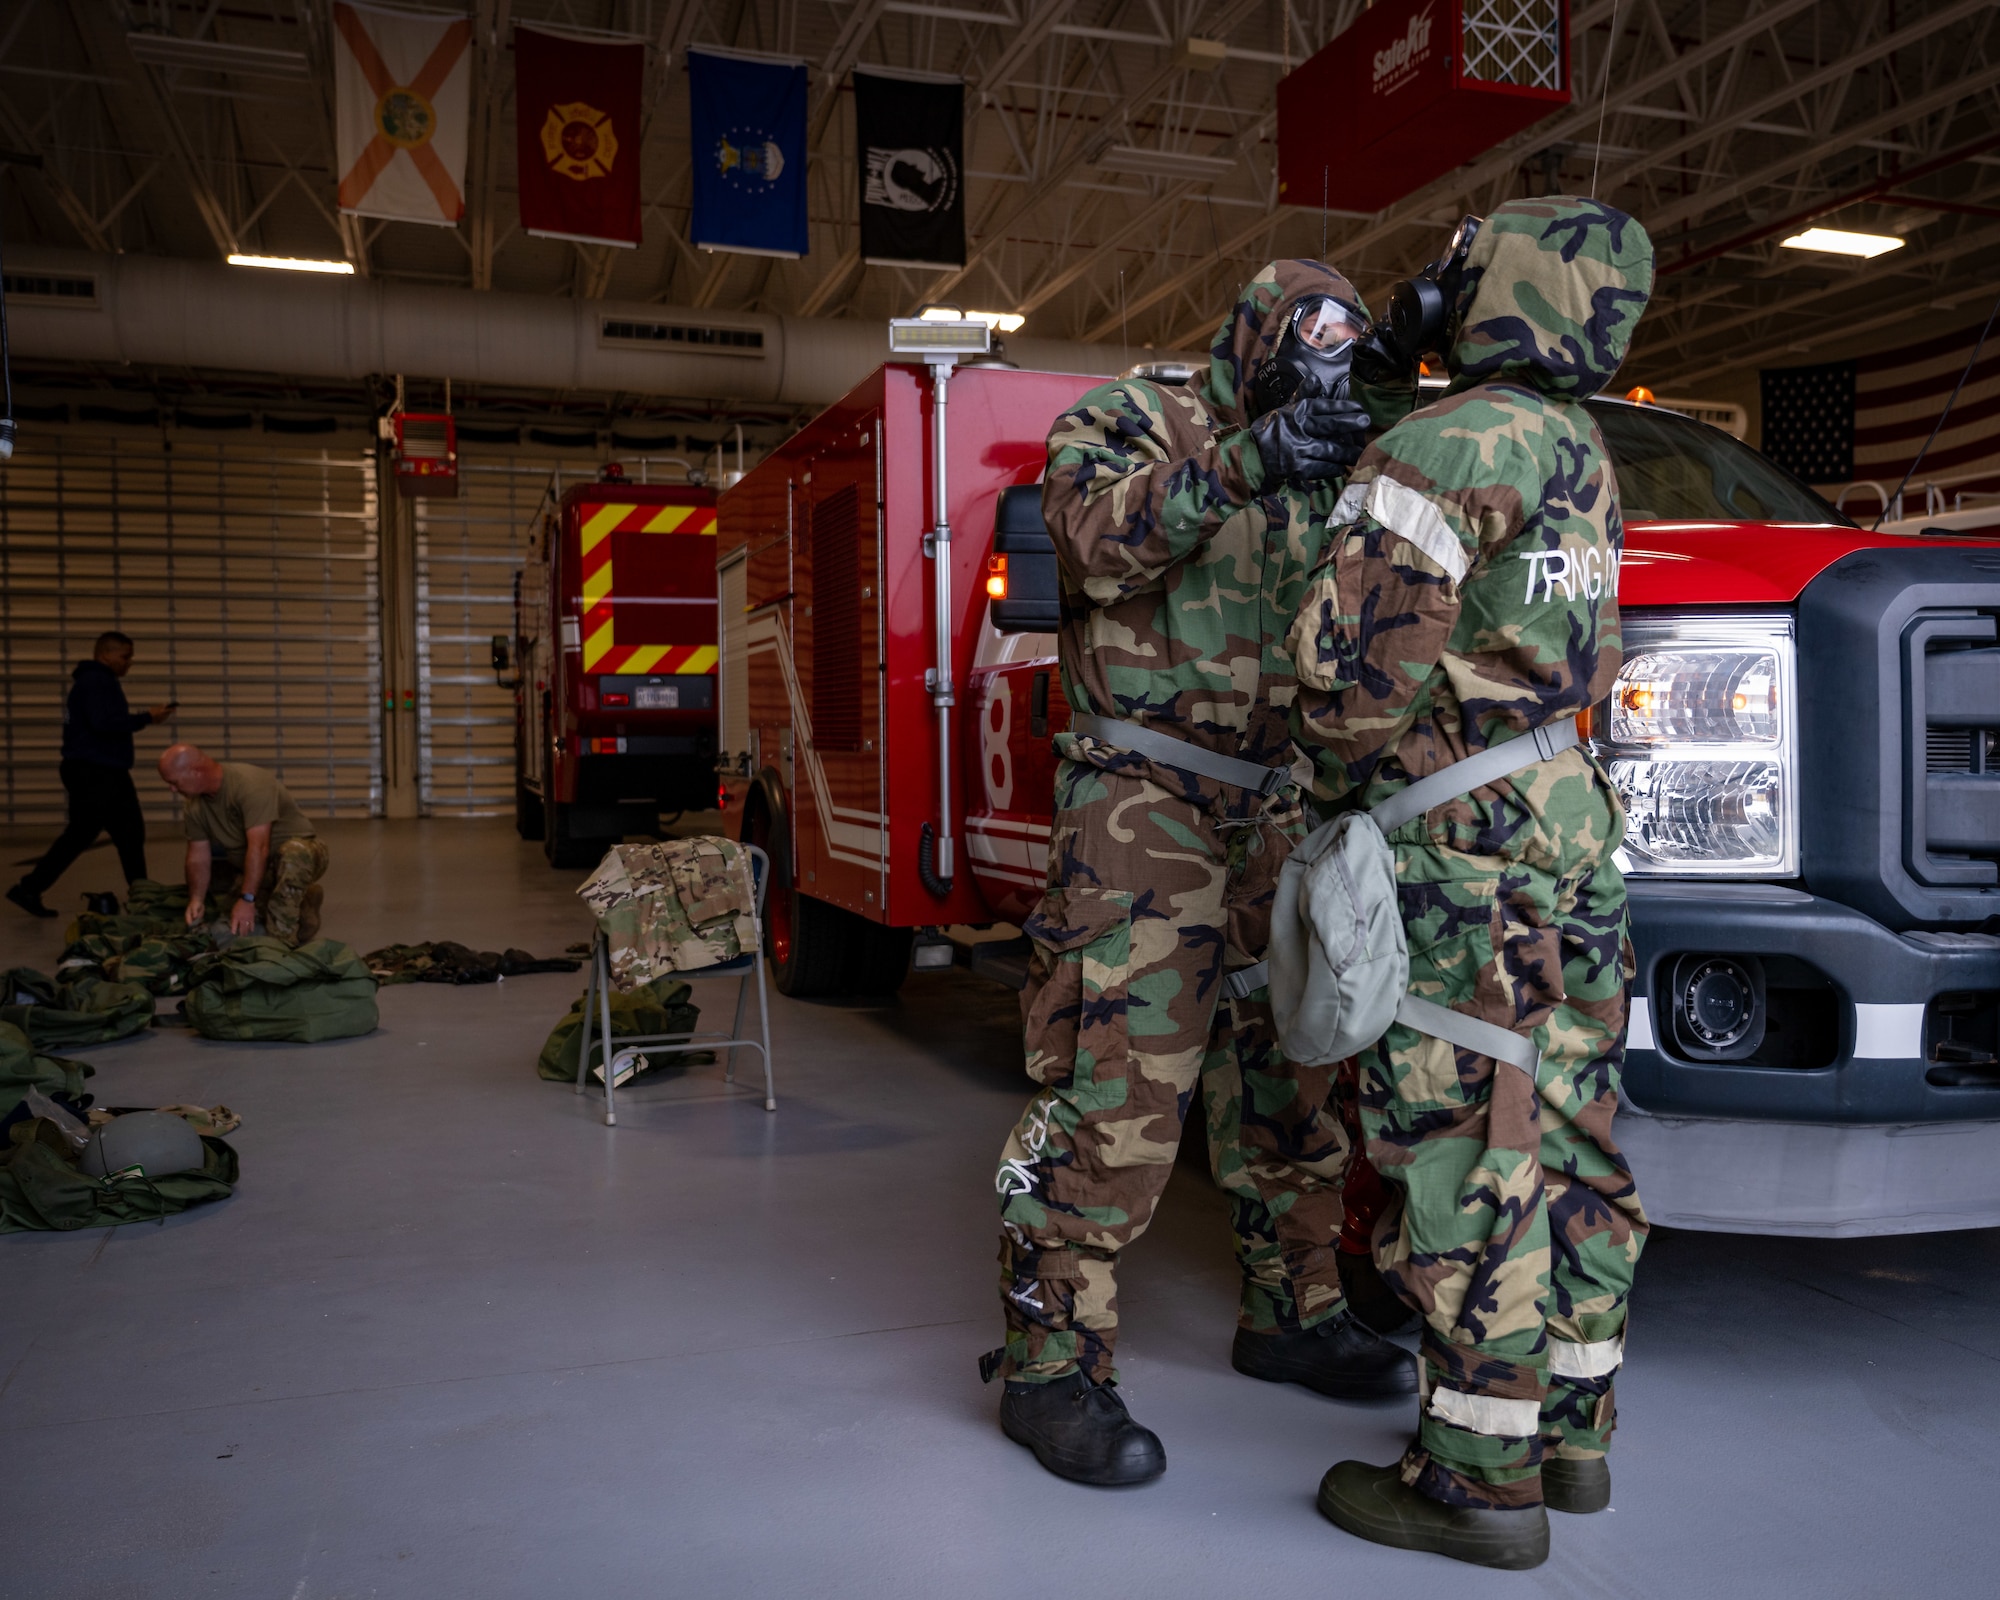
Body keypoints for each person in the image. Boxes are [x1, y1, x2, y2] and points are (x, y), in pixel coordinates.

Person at [982, 261, 1421, 1488]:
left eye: (1344, 344)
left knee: (1293, 1077)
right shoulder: (1131, 419)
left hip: (1275, 806)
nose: (1324, 360)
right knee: (1116, 1090)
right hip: (1142, 803)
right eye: (1308, 338)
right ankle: (1050, 1365)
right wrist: (1247, 460)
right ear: (1252, 337)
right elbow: (1086, 540)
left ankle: (1292, 1310)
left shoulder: (1330, 454)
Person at [1286, 198, 1654, 1569]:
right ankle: (1572, 1434)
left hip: (1465, 847)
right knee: (1570, 1125)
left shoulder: (1436, 449)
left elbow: (1345, 687)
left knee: (1466, 1134)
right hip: (1570, 824)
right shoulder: (1584, 452)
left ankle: (1472, 1478)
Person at [7, 631, 176, 919]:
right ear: (105, 655)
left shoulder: (92, 682)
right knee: (114, 833)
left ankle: (141, 895)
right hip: (97, 772)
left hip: (96, 771)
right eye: (125, 656)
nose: (129, 663)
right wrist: (147, 717)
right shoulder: (97, 681)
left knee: (121, 833)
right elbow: (103, 723)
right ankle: (143, 897)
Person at [158, 744, 328, 945]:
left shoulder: (250, 784)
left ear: (195, 771)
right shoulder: (194, 807)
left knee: (291, 860)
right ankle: (305, 903)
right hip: (257, 867)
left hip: (301, 857)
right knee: (233, 924)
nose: (172, 789)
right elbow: (198, 857)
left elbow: (260, 847)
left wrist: (248, 899)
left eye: (174, 783)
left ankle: (282, 945)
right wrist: (197, 899)